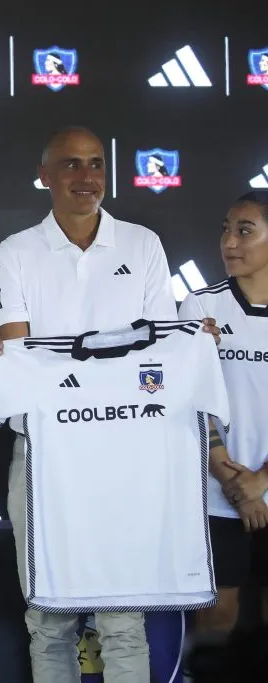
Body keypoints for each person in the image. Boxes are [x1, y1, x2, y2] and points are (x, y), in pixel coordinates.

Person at [0, 125, 218, 683]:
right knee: (49, 619)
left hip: (125, 457)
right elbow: (20, 350)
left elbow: (158, 346)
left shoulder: (143, 243)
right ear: (45, 176)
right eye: (71, 165)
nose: (86, 177)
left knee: (123, 620)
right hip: (44, 456)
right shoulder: (16, 251)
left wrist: (189, 340)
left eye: (95, 164)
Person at [179, 191, 268, 638]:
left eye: (244, 231)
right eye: (226, 230)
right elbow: (190, 403)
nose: (229, 242)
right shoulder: (201, 308)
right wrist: (234, 483)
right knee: (216, 621)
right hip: (218, 495)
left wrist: (261, 481)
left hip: (258, 485)